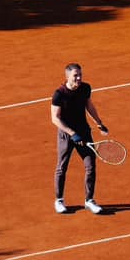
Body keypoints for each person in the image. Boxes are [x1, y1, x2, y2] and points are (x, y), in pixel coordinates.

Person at [51, 62, 110, 215]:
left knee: (90, 165)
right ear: (67, 77)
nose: (79, 78)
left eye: (80, 75)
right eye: (75, 75)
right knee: (62, 167)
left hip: (83, 132)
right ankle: (59, 200)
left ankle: (89, 200)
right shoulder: (59, 94)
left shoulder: (85, 88)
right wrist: (72, 133)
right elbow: (55, 119)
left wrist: (99, 122)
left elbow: (89, 106)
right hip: (66, 134)